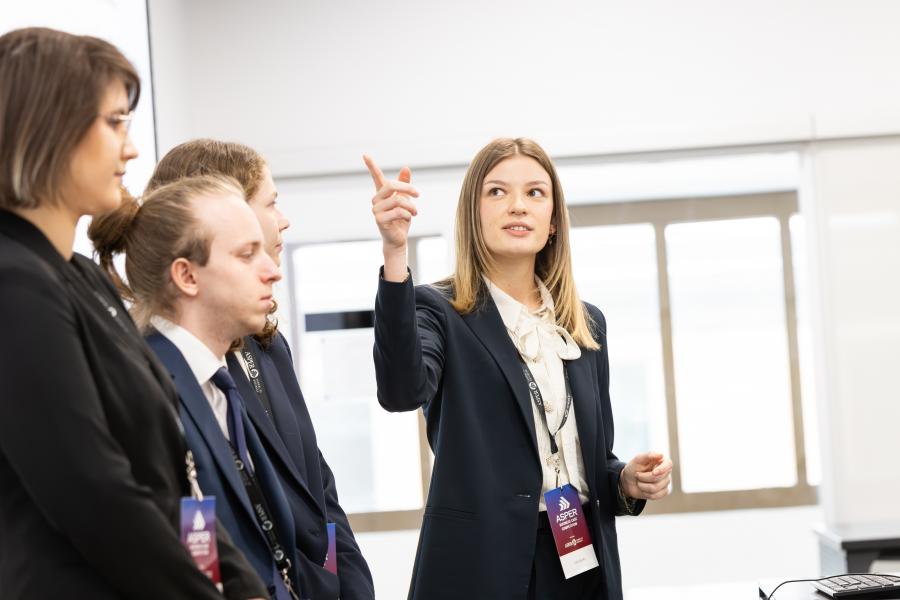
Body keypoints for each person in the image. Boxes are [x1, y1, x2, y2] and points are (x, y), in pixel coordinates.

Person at [0, 27, 267, 599]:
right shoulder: (14, 283)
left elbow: (175, 484)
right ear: (47, 128)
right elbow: (92, 493)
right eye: (114, 122)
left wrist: (242, 591)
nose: (131, 148)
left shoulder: (81, 278)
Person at [365, 138, 674, 600]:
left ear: (552, 222)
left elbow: (592, 459)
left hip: (580, 564)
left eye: (535, 193)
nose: (517, 205)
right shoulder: (438, 309)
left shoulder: (586, 324)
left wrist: (626, 480)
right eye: (496, 192)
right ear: (474, 216)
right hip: (480, 568)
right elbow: (400, 391)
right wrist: (394, 253)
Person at [143, 139, 374, 600]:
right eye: (246, 252)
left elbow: (316, 488)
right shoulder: (159, 379)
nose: (271, 270)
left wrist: (350, 584)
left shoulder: (264, 346)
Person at [90, 175, 308, 599]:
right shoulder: (147, 389)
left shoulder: (220, 383)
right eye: (247, 255)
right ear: (187, 276)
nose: (272, 272)